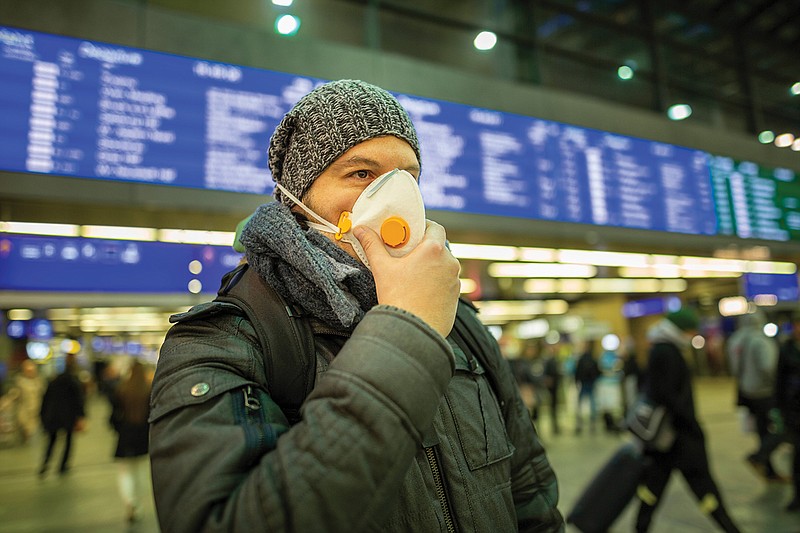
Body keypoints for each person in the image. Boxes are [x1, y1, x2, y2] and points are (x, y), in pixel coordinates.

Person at [148, 79, 564, 532]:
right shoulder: (224, 341)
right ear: (298, 198)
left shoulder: (459, 322)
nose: (395, 198)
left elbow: (529, 495)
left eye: (408, 177)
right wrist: (407, 329)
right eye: (362, 174)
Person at [635, 309, 740, 533]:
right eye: (692, 331)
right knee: (702, 485)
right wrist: (692, 426)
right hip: (679, 436)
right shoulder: (667, 352)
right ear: (681, 329)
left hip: (666, 440)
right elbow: (670, 396)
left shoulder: (662, 349)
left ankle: (640, 528)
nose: (693, 336)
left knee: (654, 488)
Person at [725, 310, 781, 480]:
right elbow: (768, 367)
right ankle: (760, 457)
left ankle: (768, 468)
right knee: (782, 428)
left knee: (762, 429)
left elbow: (734, 368)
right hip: (765, 392)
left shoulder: (735, 340)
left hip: (746, 391)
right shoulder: (761, 340)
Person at [110, 360, 152, 523]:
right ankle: (138, 503)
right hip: (142, 436)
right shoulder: (148, 390)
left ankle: (130, 502)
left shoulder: (121, 389)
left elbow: (114, 415)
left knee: (125, 472)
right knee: (141, 471)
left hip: (125, 435)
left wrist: (118, 428)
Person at [38, 353, 86, 477]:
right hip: (68, 416)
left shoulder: (53, 382)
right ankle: (63, 465)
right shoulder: (73, 382)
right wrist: (81, 416)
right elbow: (79, 400)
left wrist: (42, 416)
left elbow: (45, 399)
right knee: (68, 441)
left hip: (53, 416)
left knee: (51, 441)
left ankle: (45, 463)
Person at [14, 359, 44, 443]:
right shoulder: (20, 382)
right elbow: (15, 395)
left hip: (38, 412)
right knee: (27, 429)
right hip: (25, 412)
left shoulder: (39, 382)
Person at [574, 340, 600, 434]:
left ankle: (579, 423)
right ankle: (592, 423)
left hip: (584, 383)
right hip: (590, 383)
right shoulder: (593, 359)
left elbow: (577, 372)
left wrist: (577, 381)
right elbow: (598, 371)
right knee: (592, 404)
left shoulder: (581, 359)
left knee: (580, 404)